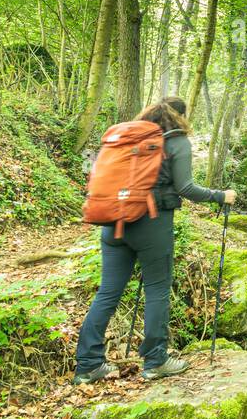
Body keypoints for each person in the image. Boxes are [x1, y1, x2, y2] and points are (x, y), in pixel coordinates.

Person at [73, 97, 235, 383]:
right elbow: (185, 187)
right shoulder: (177, 141)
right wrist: (220, 196)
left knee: (108, 293)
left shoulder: (127, 141)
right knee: (157, 289)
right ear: (181, 117)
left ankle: (88, 364)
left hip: (113, 222)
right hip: (151, 222)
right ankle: (156, 360)